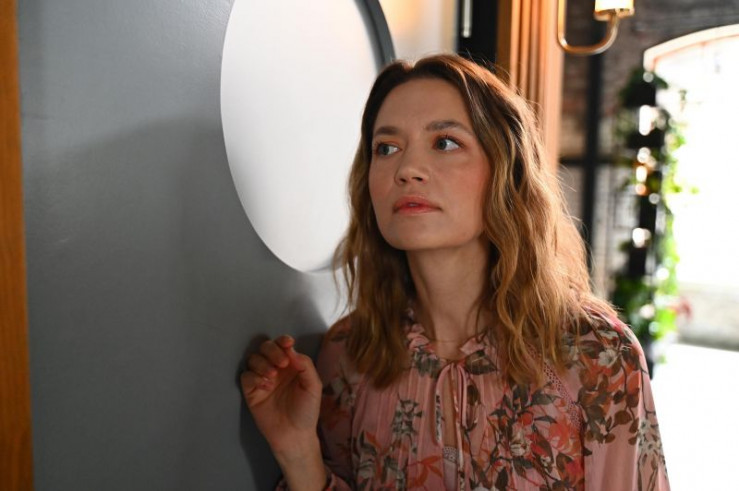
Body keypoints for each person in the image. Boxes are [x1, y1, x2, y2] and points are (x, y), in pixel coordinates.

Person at [240, 54, 669, 490]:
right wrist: (298, 453)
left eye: (445, 142)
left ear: (505, 169)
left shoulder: (598, 356)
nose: (407, 170)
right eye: (386, 148)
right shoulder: (350, 354)